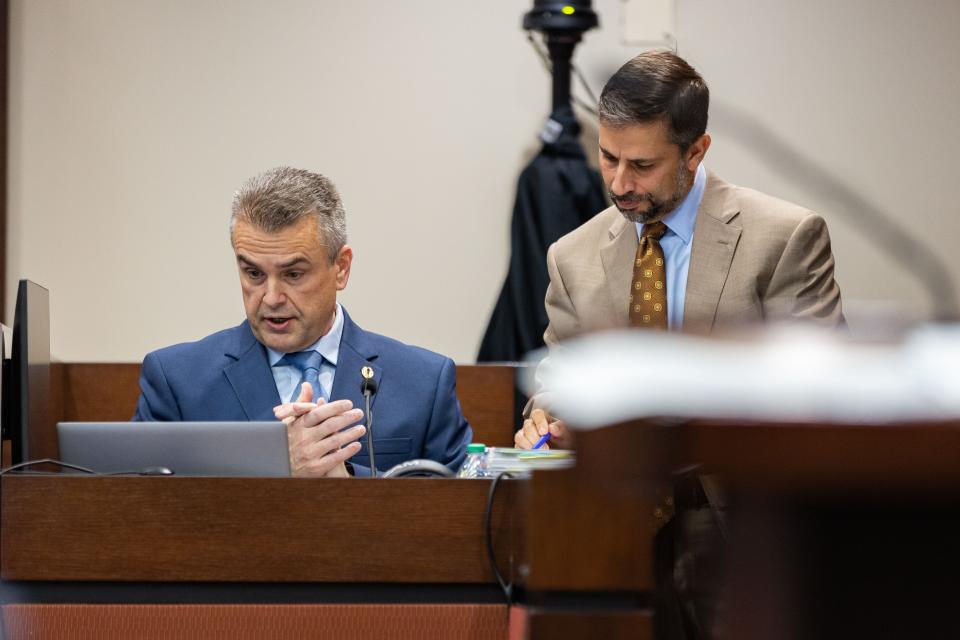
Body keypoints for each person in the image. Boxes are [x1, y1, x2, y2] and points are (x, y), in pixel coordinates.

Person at [515, 50, 844, 451]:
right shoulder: (572, 257)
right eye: (608, 157)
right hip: (613, 506)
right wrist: (552, 421)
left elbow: (816, 390)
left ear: (695, 152)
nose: (619, 185)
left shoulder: (784, 238)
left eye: (641, 165)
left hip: (733, 502)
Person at [134, 166, 472, 477]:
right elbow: (142, 513)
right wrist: (274, 469)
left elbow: (462, 510)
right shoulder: (177, 381)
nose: (271, 298)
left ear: (341, 267)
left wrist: (352, 483)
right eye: (253, 273)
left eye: (293, 274)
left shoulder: (424, 383)